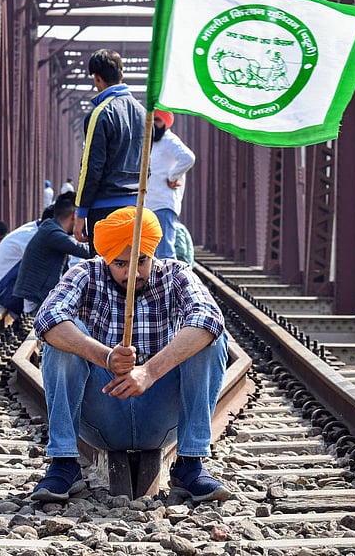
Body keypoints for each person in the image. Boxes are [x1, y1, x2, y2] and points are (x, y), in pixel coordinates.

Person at [29, 206, 230, 503]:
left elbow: (209, 318)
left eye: (141, 261)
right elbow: (47, 318)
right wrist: (105, 357)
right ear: (106, 258)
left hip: (161, 416)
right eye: (121, 264)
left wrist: (149, 372)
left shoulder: (175, 274)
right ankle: (64, 463)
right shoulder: (86, 273)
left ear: (153, 255)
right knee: (62, 337)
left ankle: (190, 463)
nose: (132, 273)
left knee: (210, 337)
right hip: (103, 415)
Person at [73, 49, 146, 254]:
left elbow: (91, 168)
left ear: (97, 78)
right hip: (136, 208)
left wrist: (81, 213)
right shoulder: (142, 113)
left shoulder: (101, 113)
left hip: (105, 210)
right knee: (131, 268)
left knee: (104, 269)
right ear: (121, 73)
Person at [13, 192, 91, 314]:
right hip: (37, 299)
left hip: (38, 295)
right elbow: (83, 250)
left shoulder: (49, 228)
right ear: (74, 215)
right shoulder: (52, 232)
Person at [145, 110, 196, 260]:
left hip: (163, 204)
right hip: (149, 204)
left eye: (157, 120)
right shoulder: (151, 142)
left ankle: (170, 276)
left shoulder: (169, 140)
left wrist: (172, 176)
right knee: (151, 251)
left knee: (165, 251)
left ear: (166, 123)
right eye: (151, 120)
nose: (153, 123)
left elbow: (188, 157)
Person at [0, 206, 55, 313]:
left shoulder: (33, 228)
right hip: (1, 293)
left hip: (0, 289)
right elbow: (34, 273)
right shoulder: (33, 237)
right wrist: (29, 310)